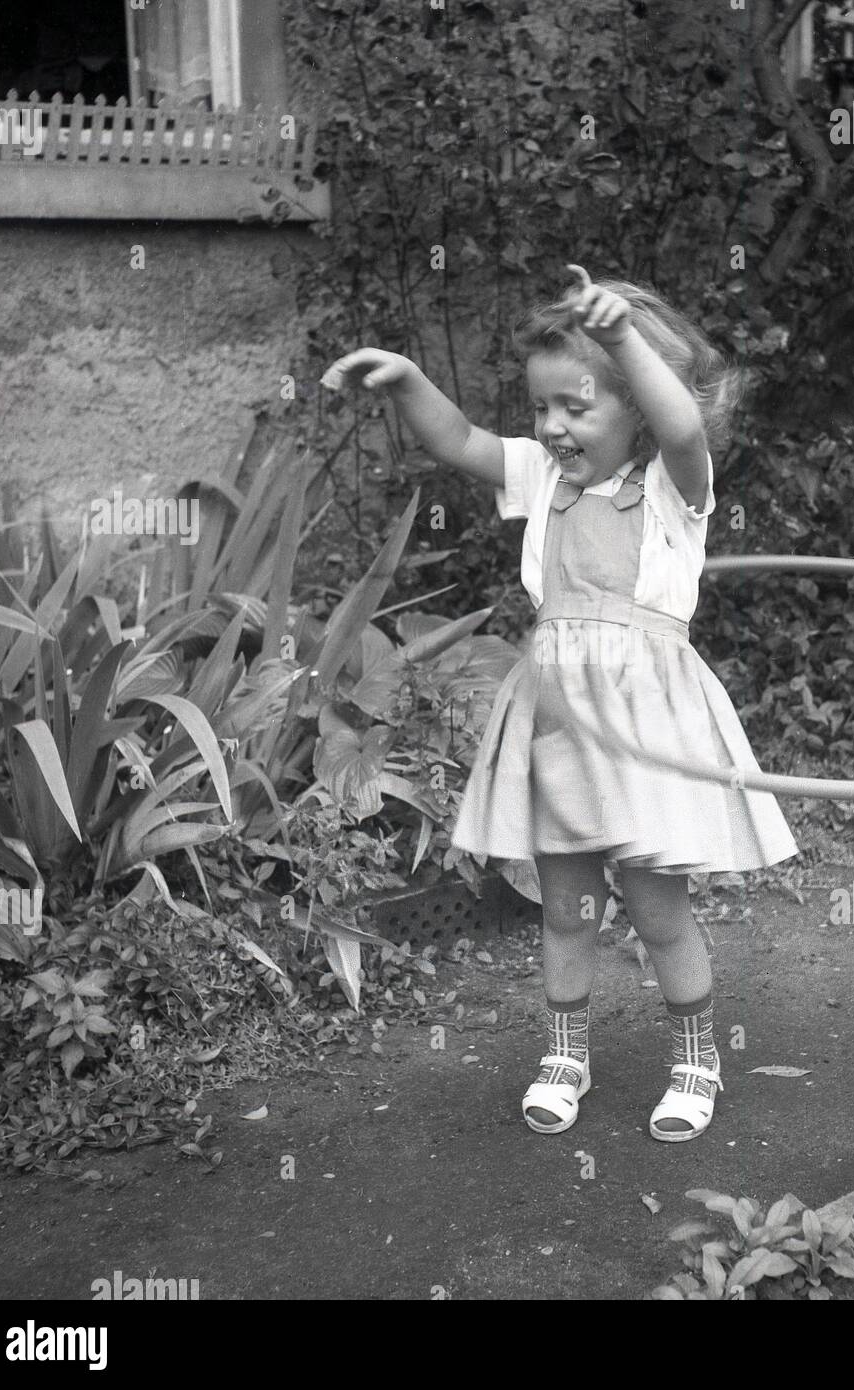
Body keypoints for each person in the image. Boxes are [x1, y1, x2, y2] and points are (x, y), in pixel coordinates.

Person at [323, 265, 796, 1142]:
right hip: (556, 721)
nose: (550, 427)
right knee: (566, 906)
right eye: (541, 408)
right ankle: (565, 1053)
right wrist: (406, 378)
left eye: (575, 408)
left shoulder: (674, 491)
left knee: (657, 908)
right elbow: (459, 438)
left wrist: (619, 336)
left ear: (633, 407)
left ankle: (696, 1055)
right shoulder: (543, 477)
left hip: (646, 724)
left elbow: (683, 422)